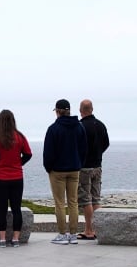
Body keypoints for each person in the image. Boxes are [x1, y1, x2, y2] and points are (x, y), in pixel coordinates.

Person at [0, 109, 33, 247]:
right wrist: (19, 163)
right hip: (17, 177)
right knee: (16, 208)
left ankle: (2, 239)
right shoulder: (19, 137)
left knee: (2, 209)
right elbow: (28, 154)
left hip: (0, 177)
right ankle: (16, 239)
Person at [43, 99, 86, 245]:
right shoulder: (79, 127)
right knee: (73, 202)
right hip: (74, 169)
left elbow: (48, 153)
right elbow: (83, 149)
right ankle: (73, 234)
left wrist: (49, 167)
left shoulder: (53, 129)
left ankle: (62, 234)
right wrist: (79, 164)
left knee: (60, 203)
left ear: (57, 111)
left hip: (58, 171)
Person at [77, 99, 110, 240]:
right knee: (96, 199)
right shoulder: (101, 125)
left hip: (84, 167)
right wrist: (98, 154)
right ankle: (99, 229)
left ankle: (89, 230)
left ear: (81, 110)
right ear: (92, 109)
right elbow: (106, 143)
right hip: (98, 166)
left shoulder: (81, 126)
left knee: (86, 200)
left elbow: (77, 146)